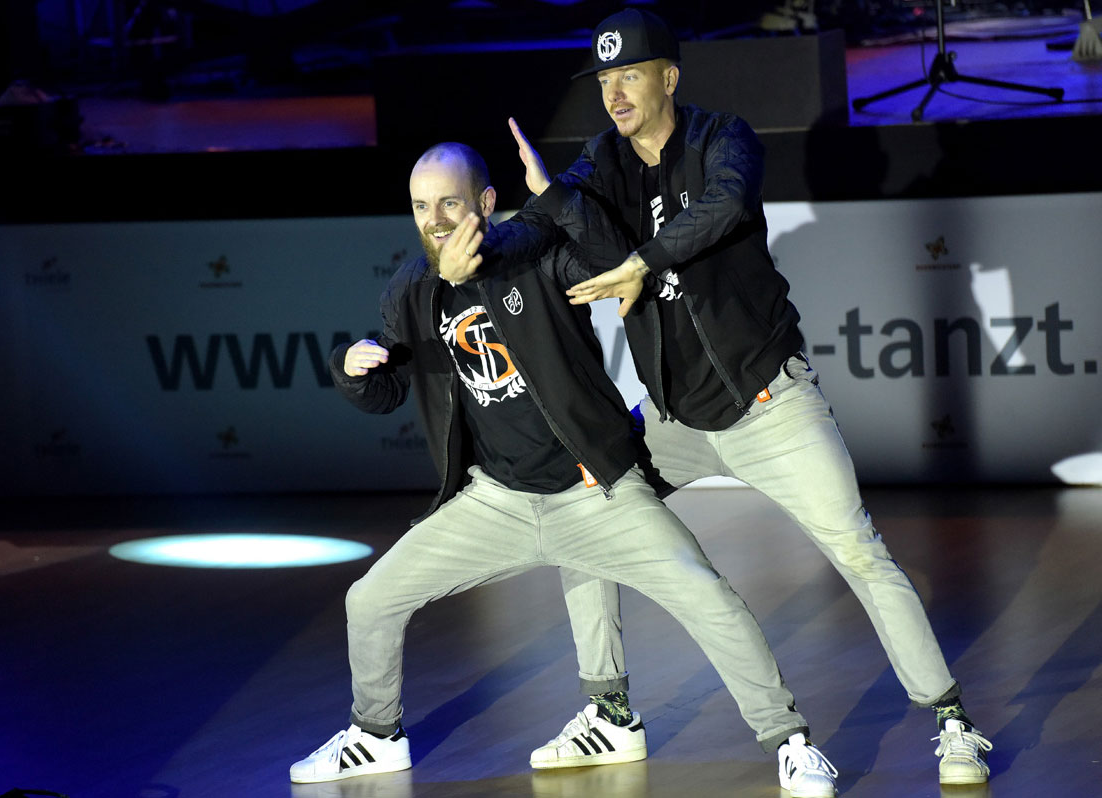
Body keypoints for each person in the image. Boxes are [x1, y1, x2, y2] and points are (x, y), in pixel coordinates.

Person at [455, 7, 993, 787]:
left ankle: (952, 722)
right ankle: (610, 712)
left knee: (858, 551)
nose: (614, 94)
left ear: (669, 78)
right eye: (604, 81)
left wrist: (641, 262)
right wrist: (482, 247)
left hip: (770, 406)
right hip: (674, 420)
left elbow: (728, 206)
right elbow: (547, 223)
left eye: (629, 75)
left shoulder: (721, 138)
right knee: (583, 509)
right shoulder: (602, 162)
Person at [290, 142, 839, 797]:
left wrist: (555, 201)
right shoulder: (412, 289)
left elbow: (612, 263)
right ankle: (376, 735)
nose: (434, 220)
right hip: (496, 501)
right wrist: (352, 367)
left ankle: (789, 741)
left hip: (593, 491)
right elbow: (387, 389)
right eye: (420, 206)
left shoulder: (536, 255)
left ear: (486, 203)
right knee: (370, 600)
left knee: (708, 596)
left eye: (450, 203)